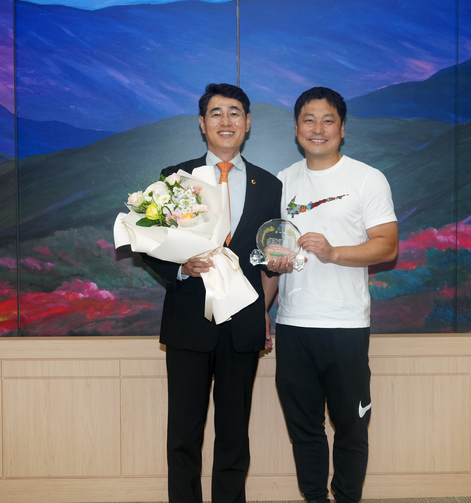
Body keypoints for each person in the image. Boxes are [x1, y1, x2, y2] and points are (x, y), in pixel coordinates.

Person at [141, 83, 282, 503]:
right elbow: (149, 244)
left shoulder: (268, 185)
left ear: (248, 123)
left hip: (242, 325)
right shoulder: (175, 178)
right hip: (189, 323)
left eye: (235, 112)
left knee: (234, 435)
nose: (226, 121)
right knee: (184, 433)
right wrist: (180, 267)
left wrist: (265, 306)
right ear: (202, 124)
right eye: (216, 113)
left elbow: (266, 257)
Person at [265, 87, 399, 503]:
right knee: (304, 429)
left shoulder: (367, 178)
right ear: (296, 128)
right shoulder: (281, 182)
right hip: (293, 323)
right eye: (309, 120)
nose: (318, 129)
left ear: (342, 128)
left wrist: (334, 252)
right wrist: (262, 309)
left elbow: (387, 246)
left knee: (352, 427)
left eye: (328, 120)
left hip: (345, 324)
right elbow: (273, 257)